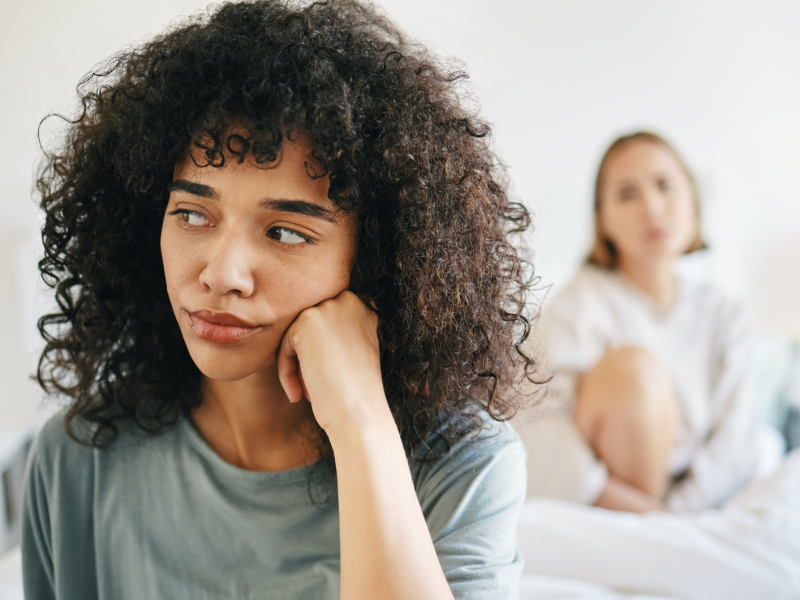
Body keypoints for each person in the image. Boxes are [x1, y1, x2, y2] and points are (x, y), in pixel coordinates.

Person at [21, 2, 537, 598]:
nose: (223, 274)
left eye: (286, 231)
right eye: (191, 214)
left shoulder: (462, 464)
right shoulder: (78, 458)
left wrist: (362, 425)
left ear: (378, 258)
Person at [519, 131, 783, 514]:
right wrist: (643, 513)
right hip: (614, 497)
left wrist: (679, 514)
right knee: (634, 372)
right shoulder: (577, 305)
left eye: (665, 186)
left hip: (689, 503)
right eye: (627, 194)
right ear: (602, 220)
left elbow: (736, 440)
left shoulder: (724, 314)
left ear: (693, 200)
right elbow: (540, 430)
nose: (653, 208)